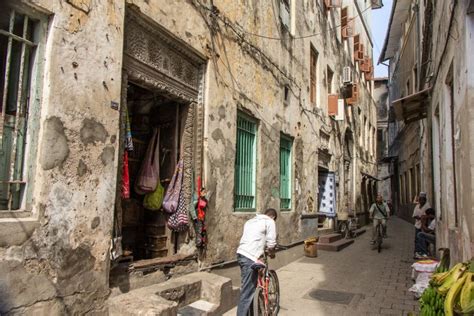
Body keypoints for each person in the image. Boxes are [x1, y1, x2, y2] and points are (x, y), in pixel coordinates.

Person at [236, 208, 277, 316]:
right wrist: (272, 253)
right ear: (273, 217)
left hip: (241, 254)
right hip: (250, 257)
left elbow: (254, 239)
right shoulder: (270, 221)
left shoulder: (250, 221)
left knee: (249, 287)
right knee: (246, 293)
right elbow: (271, 244)